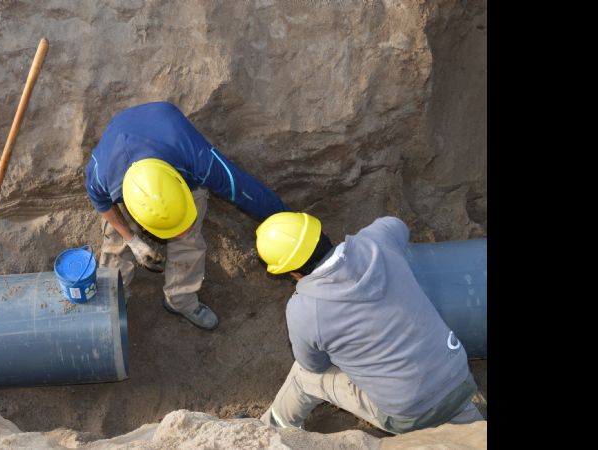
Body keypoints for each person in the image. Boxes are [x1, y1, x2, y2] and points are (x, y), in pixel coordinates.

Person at [254, 212, 483, 433]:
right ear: (322, 234)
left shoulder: (303, 311)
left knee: (303, 376)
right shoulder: (378, 241)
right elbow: (396, 224)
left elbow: (314, 366)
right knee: (470, 431)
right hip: (459, 380)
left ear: (292, 272)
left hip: (411, 413)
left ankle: (267, 430)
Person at [85, 101, 289, 330]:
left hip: (169, 144)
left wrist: (289, 222)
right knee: (116, 240)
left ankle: (180, 300)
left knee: (189, 241)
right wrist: (132, 240)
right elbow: (102, 205)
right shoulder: (101, 175)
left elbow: (245, 190)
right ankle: (110, 300)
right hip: (127, 156)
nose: (176, 232)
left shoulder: (198, 161)